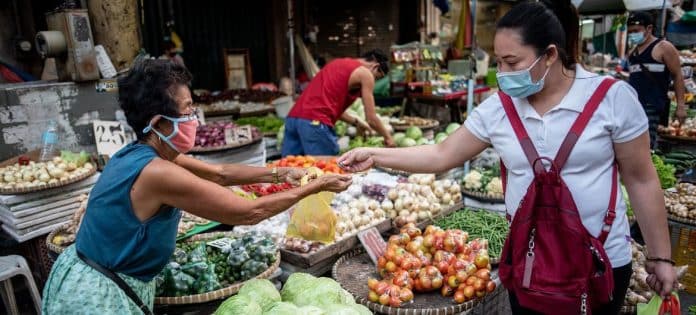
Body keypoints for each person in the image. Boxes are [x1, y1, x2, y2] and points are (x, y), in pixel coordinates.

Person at [339, 1, 676, 314]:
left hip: (600, 261)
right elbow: (442, 154)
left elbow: (641, 179)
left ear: (549, 55)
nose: (501, 72)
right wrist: (376, 154)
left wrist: (661, 256)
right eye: (498, 61)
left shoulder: (612, 98)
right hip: (530, 263)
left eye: (511, 62)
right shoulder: (499, 108)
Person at [42, 59, 352, 314]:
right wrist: (315, 187)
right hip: (96, 296)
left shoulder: (141, 152)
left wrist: (279, 175)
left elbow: (219, 173)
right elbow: (249, 212)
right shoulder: (157, 172)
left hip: (95, 273)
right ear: (158, 122)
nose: (195, 118)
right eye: (188, 109)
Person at [282, 50, 396, 157]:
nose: (374, 81)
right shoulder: (365, 73)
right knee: (326, 171)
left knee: (288, 169)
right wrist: (388, 137)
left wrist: (356, 122)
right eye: (376, 78)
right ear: (375, 66)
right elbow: (371, 119)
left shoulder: (337, 63)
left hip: (294, 119)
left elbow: (330, 107)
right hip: (315, 123)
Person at [627, 11, 687, 148]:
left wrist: (681, 106)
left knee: (646, 146)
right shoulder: (632, 53)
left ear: (649, 28)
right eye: (630, 32)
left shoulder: (663, 47)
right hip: (633, 107)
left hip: (652, 107)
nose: (632, 35)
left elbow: (678, 75)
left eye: (636, 31)